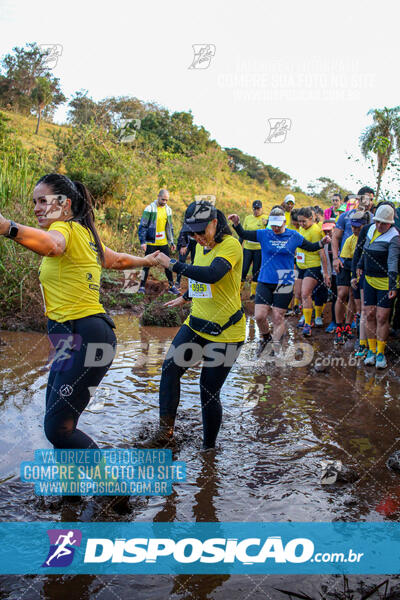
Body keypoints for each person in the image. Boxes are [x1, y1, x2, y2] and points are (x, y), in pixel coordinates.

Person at [0, 173, 159, 454]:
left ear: (65, 203)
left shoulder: (65, 230)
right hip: (73, 339)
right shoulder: (88, 237)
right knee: (57, 421)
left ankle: (113, 493)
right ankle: (71, 496)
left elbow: (52, 245)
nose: (36, 207)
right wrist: (146, 260)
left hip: (84, 336)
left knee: (58, 428)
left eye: (43, 201)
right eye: (34, 202)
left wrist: (8, 227)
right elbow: (117, 260)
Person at [140, 200, 246, 451]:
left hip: (226, 332)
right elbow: (204, 281)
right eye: (193, 233)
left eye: (202, 231)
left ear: (214, 223)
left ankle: (208, 449)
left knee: (208, 391)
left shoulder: (231, 246)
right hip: (197, 323)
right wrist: (187, 296)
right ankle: (166, 434)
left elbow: (213, 274)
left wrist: (172, 264)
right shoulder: (201, 245)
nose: (198, 238)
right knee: (169, 369)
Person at [228, 207, 329, 353]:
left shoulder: (293, 235)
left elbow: (311, 247)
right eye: (273, 225)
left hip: (285, 278)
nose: (275, 228)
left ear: (284, 222)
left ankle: (274, 347)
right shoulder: (264, 234)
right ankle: (266, 337)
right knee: (259, 316)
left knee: (277, 316)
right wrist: (237, 223)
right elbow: (244, 234)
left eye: (278, 225)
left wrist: (322, 242)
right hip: (265, 278)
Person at [355, 204, 400, 369]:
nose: (380, 226)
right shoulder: (370, 229)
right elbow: (365, 250)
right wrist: (359, 264)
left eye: (384, 223)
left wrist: (393, 286)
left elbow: (393, 262)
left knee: (382, 316)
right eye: (378, 222)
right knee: (369, 314)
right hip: (369, 279)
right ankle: (371, 350)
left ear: (391, 223)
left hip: (385, 281)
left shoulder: (394, 237)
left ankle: (381, 353)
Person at [334, 211, 369, 344]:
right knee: (341, 294)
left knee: (354, 296)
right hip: (347, 263)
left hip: (361, 267)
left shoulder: (368, 237)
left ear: (364, 226)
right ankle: (339, 327)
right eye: (353, 227)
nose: (354, 229)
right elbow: (347, 259)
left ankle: (348, 325)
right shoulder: (349, 240)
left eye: (358, 227)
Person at [296, 207, 330, 336]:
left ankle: (308, 324)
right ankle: (306, 315)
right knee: (298, 294)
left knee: (306, 293)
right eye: (299, 221)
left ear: (311, 219)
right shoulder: (301, 229)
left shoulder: (315, 231)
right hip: (300, 265)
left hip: (313, 266)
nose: (301, 224)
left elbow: (322, 253)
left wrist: (325, 272)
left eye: (303, 221)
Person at [137, 188, 179, 295]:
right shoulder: (150, 209)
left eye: (166, 200)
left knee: (168, 264)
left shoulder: (168, 210)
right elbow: (143, 226)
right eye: (163, 199)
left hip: (163, 242)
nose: (164, 202)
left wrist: (171, 242)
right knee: (146, 264)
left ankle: (171, 286)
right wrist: (143, 242)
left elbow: (169, 227)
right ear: (158, 197)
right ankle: (142, 286)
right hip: (151, 242)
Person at [240, 200, 268, 299]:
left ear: (261, 209)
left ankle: (253, 293)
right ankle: (239, 291)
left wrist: (267, 223)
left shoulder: (265, 218)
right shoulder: (248, 218)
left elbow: (270, 231)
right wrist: (239, 245)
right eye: (254, 209)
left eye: (258, 209)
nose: (256, 211)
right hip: (247, 248)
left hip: (259, 249)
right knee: (244, 269)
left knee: (256, 270)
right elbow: (242, 233)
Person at [175, 225, 196, 290]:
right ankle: (177, 282)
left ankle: (193, 283)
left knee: (195, 262)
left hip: (198, 242)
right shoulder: (190, 217)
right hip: (187, 241)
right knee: (181, 261)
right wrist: (183, 245)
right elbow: (183, 231)